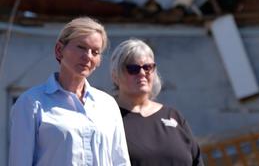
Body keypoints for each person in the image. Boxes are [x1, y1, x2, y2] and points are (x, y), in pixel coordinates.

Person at [9, 17, 130, 165]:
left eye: (95, 52)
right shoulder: (31, 103)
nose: (88, 57)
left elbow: (120, 162)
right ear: (59, 50)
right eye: (81, 47)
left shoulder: (108, 105)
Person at [110, 38, 203, 166]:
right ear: (115, 75)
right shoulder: (108, 118)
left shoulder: (173, 116)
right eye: (133, 68)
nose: (142, 73)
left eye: (148, 67)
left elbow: (197, 161)